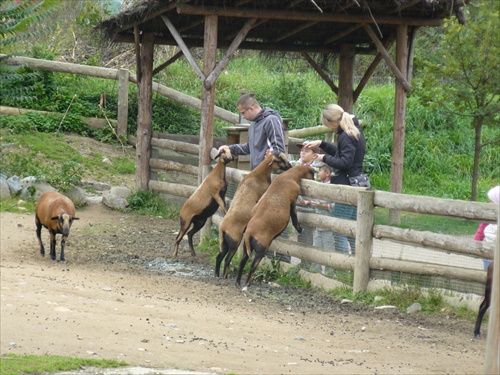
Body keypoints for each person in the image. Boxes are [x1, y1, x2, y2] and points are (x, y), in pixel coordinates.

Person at [303, 103, 367, 255]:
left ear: (333, 121)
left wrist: (323, 157)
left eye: (328, 125)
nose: (330, 128)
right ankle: (355, 262)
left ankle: (343, 265)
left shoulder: (346, 135)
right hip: (356, 183)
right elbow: (341, 154)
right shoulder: (353, 131)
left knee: (339, 230)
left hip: (346, 186)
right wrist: (322, 144)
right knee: (352, 229)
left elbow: (345, 162)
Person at [218, 93, 286, 170]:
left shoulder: (271, 120)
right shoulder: (253, 124)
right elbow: (249, 147)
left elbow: (279, 149)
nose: (243, 116)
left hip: (271, 175)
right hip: (256, 174)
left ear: (251, 108)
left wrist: (271, 157)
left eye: (243, 112)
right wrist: (229, 148)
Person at [309, 163, 336, 275]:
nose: (318, 173)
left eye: (320, 171)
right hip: (318, 224)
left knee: (329, 250)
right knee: (316, 248)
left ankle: (330, 273)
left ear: (327, 173)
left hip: (328, 225)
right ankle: (315, 272)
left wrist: (323, 206)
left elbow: (335, 205)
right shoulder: (319, 185)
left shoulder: (333, 187)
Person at [475, 185, 499, 269]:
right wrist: (477, 241)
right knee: (488, 271)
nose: (489, 203)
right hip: (488, 250)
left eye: (492, 201)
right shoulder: (489, 216)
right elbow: (481, 229)